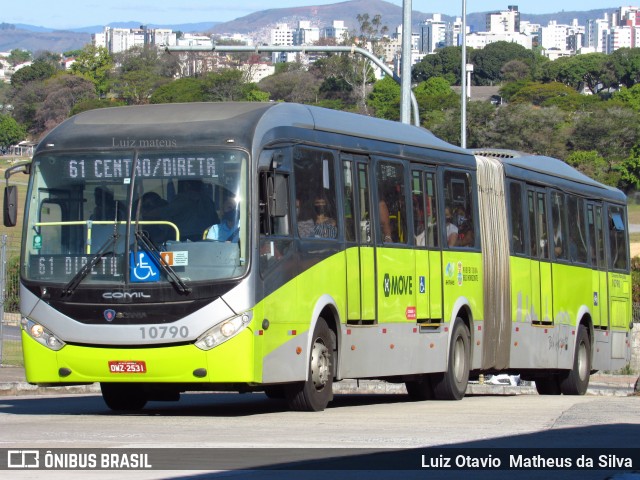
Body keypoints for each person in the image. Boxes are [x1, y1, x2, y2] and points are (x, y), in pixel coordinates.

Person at [145, 180, 218, 242]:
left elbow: (165, 212)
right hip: (205, 238)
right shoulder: (208, 200)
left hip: (183, 238)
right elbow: (215, 219)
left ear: (186, 185)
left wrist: (144, 215)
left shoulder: (183, 199)